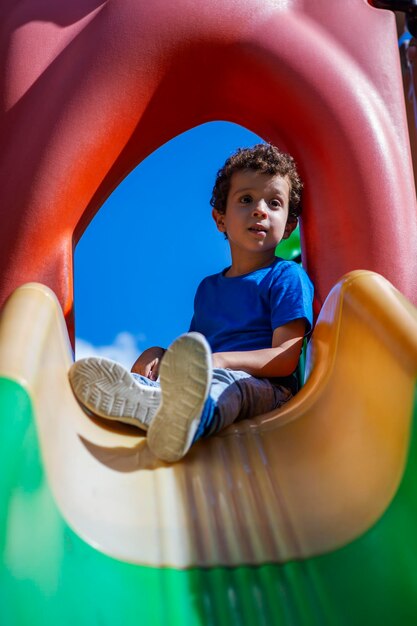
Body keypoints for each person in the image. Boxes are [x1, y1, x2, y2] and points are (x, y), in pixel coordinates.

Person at [69, 144, 314, 463]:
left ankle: (187, 420)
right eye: (246, 199)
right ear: (220, 219)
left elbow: (284, 358)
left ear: (289, 226)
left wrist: (222, 362)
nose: (260, 210)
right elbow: (198, 351)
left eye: (274, 203)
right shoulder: (209, 288)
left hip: (267, 390)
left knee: (227, 386)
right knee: (182, 378)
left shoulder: (286, 276)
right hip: (209, 376)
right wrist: (162, 355)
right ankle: (144, 398)